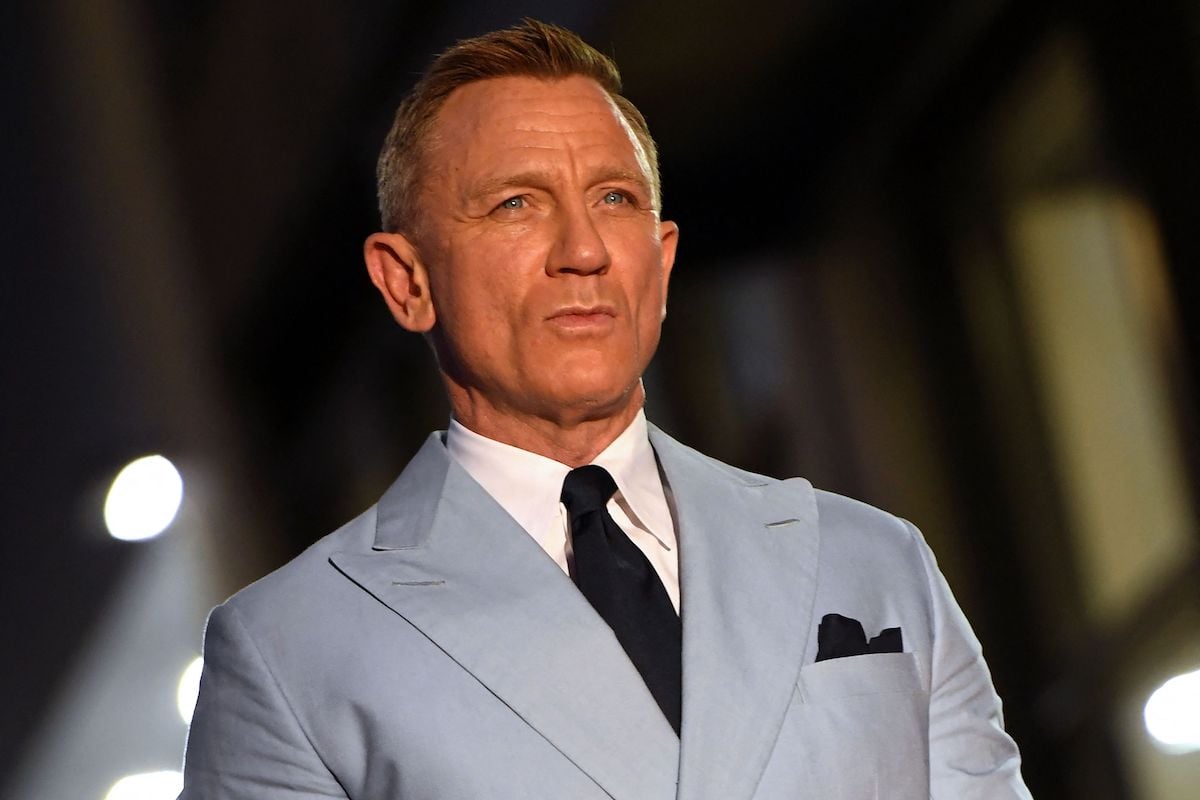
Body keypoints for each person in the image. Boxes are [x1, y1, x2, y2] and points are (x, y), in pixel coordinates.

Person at [180, 19, 1032, 800]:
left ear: (660, 263)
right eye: (517, 203)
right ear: (406, 282)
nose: (582, 251)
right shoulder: (290, 653)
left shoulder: (875, 562)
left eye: (615, 199)